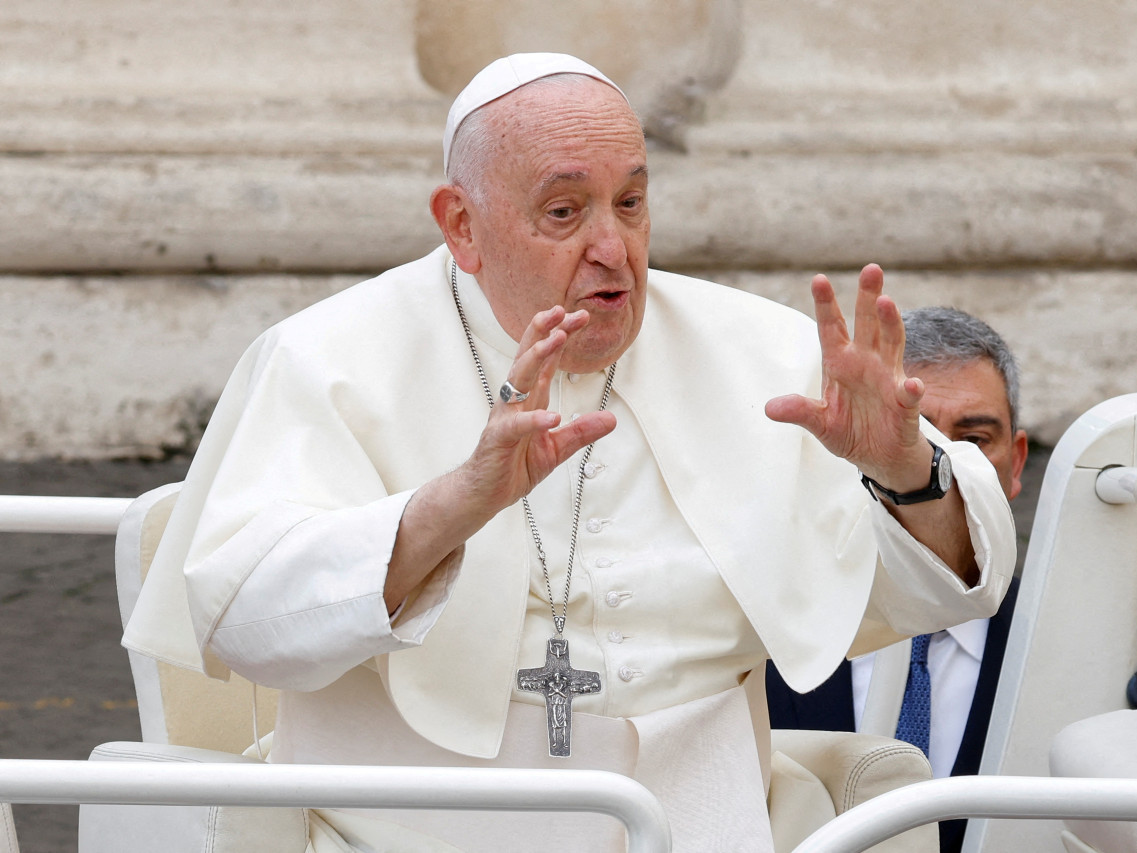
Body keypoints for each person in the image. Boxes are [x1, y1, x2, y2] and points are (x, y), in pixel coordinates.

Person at [122, 53, 1015, 852]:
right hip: (406, 830)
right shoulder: (325, 360)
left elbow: (954, 585)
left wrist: (908, 476)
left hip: (712, 824)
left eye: (631, 202)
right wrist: (450, 508)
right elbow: (239, 613)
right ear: (461, 225)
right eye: (564, 210)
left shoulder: (763, 355)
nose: (612, 249)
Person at [766, 306, 1028, 853]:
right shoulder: (763, 624)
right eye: (913, 432)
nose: (937, 463)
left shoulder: (1071, 641)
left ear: (1017, 462)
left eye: (975, 441)